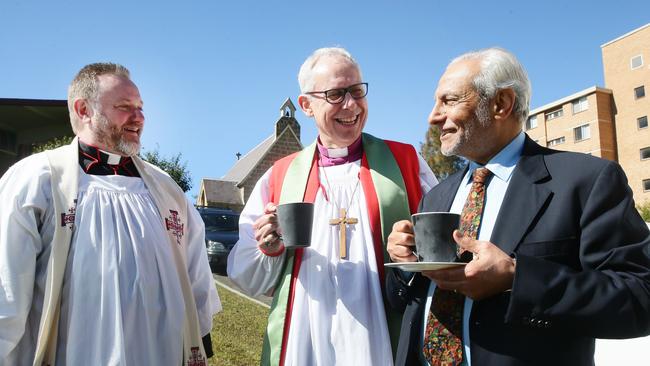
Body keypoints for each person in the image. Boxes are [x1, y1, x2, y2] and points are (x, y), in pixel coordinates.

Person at [386, 47, 650, 366]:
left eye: (449, 100)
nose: (432, 116)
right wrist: (405, 266)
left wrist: (517, 278)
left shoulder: (586, 181)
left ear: (501, 103)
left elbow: (639, 299)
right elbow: (407, 303)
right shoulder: (437, 196)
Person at [227, 47, 438, 365]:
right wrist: (268, 248)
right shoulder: (280, 176)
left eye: (356, 91)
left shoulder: (406, 161)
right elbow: (245, 276)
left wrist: (411, 251)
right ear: (306, 105)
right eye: (336, 94)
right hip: (307, 334)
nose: (351, 105)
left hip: (382, 332)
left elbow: (440, 248)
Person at [0, 63, 221, 365]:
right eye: (124, 107)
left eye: (141, 108)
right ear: (83, 109)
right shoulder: (38, 178)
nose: (139, 118)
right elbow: (7, 288)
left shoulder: (166, 189)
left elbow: (196, 282)